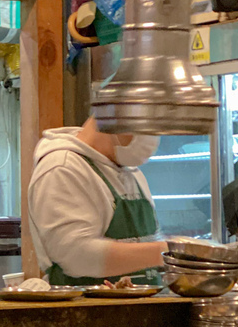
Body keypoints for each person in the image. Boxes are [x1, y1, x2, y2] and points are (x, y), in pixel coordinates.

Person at [26, 118, 166, 286]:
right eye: (145, 123)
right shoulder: (62, 167)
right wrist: (166, 251)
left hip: (142, 307)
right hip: (86, 309)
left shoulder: (132, 173)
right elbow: (77, 257)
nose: (152, 138)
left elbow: (152, 239)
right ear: (111, 114)